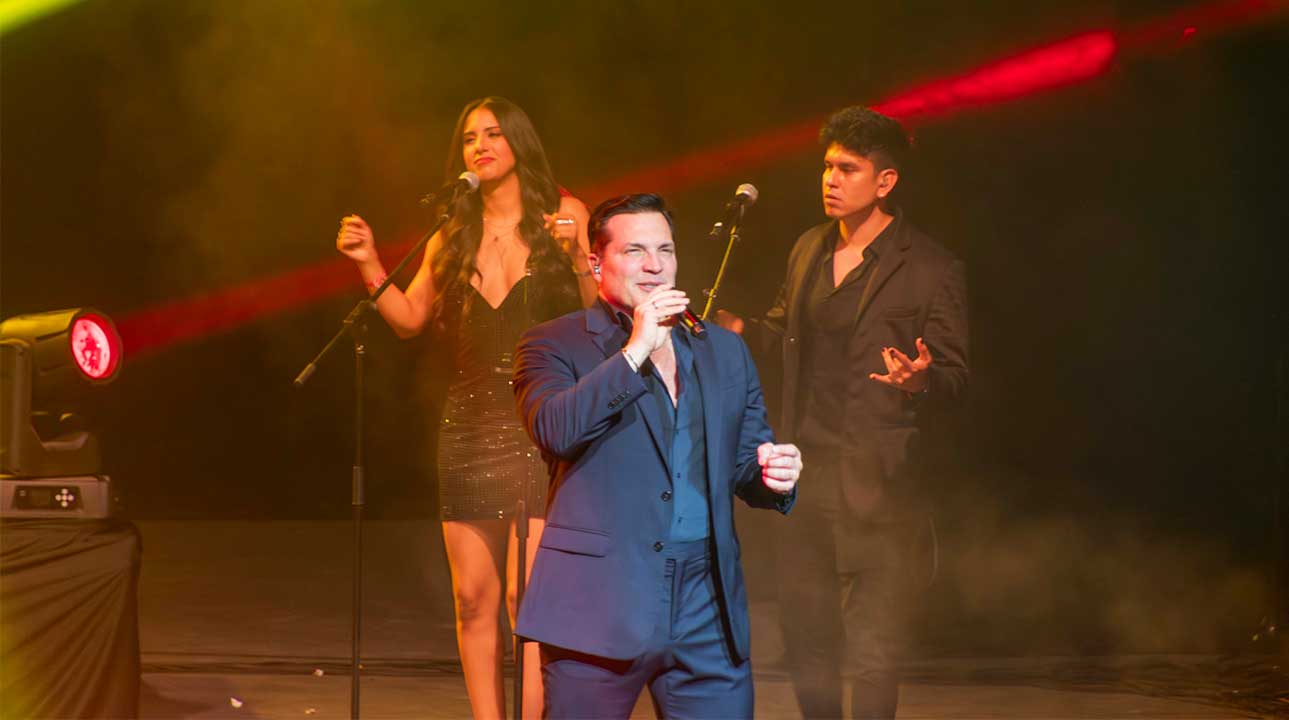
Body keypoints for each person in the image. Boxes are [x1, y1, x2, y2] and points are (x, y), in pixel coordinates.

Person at [335, 96, 597, 720]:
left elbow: (600, 318)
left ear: (519, 144)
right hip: (470, 426)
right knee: (473, 598)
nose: (481, 146)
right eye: (471, 138)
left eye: (494, 134)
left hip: (542, 422)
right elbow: (408, 319)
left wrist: (578, 253)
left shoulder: (565, 215)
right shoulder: (452, 233)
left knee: (528, 599)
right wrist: (369, 264)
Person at [717, 106, 969, 719]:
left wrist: (920, 379)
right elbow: (783, 332)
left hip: (879, 481)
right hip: (806, 473)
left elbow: (956, 376)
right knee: (807, 637)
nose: (830, 179)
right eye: (827, 166)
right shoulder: (809, 247)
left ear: (885, 182)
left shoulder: (931, 267)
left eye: (848, 169)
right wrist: (739, 330)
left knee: (874, 647)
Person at [510, 193, 802, 719]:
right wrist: (636, 350)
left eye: (665, 250)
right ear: (596, 263)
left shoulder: (722, 349)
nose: (654, 265)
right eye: (635, 251)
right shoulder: (554, 343)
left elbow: (744, 461)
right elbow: (555, 430)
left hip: (705, 605)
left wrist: (774, 476)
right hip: (598, 602)